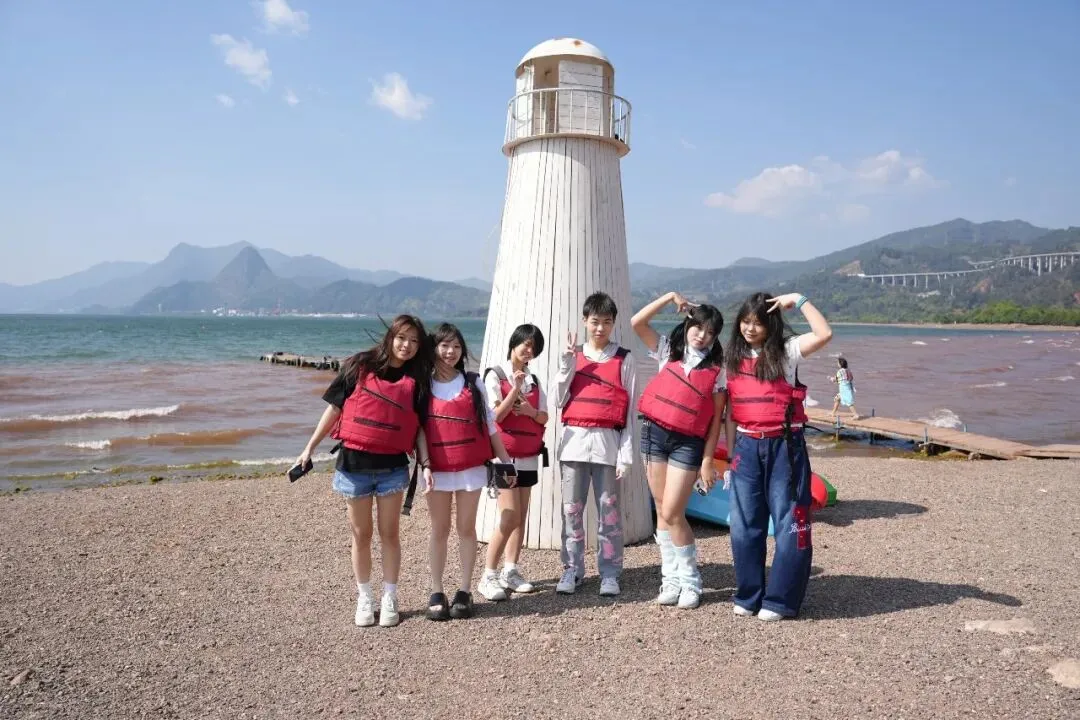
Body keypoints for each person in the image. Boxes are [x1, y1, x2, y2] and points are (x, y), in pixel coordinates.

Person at [294, 315, 431, 628]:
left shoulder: (418, 380)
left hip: (392, 469)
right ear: (390, 337)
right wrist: (309, 447)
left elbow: (420, 428)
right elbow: (334, 408)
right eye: (402, 337)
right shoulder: (358, 366)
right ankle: (365, 597)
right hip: (354, 466)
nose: (407, 345)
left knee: (390, 534)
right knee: (361, 534)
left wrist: (426, 464)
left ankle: (390, 596)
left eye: (414, 341)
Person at [725, 291, 833, 621]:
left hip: (785, 446)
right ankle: (749, 595)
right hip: (746, 446)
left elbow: (824, 334)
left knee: (790, 522)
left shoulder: (786, 352)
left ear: (771, 325)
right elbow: (729, 412)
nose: (750, 328)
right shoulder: (732, 358)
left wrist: (799, 300)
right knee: (743, 525)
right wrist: (730, 455)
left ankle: (781, 601)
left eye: (758, 323)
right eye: (745, 322)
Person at [631, 292, 727, 609]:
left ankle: (691, 581)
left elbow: (716, 419)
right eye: (698, 327)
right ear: (688, 324)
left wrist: (708, 460)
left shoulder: (718, 369)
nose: (702, 335)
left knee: (673, 512)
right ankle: (670, 580)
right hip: (654, 436)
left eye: (710, 332)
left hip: (688, 443)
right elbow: (637, 322)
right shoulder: (667, 351)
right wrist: (669, 297)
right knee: (662, 510)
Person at [415, 323, 515, 621]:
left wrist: (506, 462)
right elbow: (419, 430)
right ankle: (436, 590)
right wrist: (425, 464)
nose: (451, 352)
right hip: (436, 470)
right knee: (439, 529)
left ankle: (464, 590)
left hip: (471, 468)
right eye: (445, 345)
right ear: (434, 348)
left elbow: (490, 425)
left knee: (466, 528)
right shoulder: (423, 386)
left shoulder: (473, 383)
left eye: (457, 346)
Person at [554, 292, 636, 597]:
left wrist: (625, 455)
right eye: (595, 321)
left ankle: (610, 573)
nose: (600, 328)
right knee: (571, 511)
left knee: (609, 513)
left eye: (606, 322)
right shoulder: (572, 356)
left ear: (613, 324)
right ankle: (571, 569)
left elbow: (630, 410)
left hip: (607, 445)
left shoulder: (624, 359)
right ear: (584, 321)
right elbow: (557, 399)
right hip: (574, 445)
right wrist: (566, 363)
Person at [477, 324, 549, 602]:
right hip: (503, 457)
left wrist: (530, 411)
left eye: (534, 347)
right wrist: (514, 389)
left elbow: (544, 417)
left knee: (520, 516)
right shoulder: (495, 375)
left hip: (529, 455)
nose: (529, 350)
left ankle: (511, 570)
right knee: (509, 515)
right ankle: (488, 575)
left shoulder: (535, 380)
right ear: (514, 343)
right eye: (526, 344)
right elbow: (495, 416)